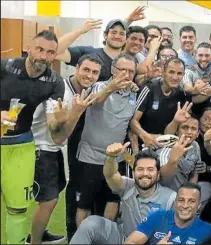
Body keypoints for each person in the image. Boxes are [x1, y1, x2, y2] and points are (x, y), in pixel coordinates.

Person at [29, 54, 102, 244]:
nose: (90, 75)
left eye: (95, 72)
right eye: (86, 70)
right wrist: (75, 114)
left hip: (53, 149)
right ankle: (35, 241)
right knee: (49, 200)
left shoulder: (86, 89)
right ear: (76, 68)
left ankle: (40, 232)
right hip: (41, 147)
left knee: (55, 191)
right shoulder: (59, 89)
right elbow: (57, 134)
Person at [0, 30, 65, 244]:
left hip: (21, 147)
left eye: (50, 52)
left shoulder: (55, 82)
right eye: (39, 49)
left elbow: (52, 123)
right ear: (29, 47)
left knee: (18, 208)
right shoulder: (5, 66)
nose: (43, 56)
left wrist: (63, 119)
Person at [75, 54, 139, 225]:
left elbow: (130, 124)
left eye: (131, 71)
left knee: (113, 200)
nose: (126, 74)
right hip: (91, 155)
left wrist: (135, 156)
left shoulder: (134, 93)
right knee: (85, 203)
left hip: (117, 157)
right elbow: (94, 102)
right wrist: (112, 87)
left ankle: (107, 237)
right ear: (112, 69)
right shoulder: (98, 87)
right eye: (122, 70)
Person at [70, 146, 176, 244]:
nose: (145, 173)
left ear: (158, 175)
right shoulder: (127, 186)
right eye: (140, 169)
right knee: (90, 223)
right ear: (133, 173)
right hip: (123, 237)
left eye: (150, 169)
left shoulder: (170, 198)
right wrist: (111, 157)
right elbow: (110, 174)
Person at [123, 182, 211, 244]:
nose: (185, 205)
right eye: (181, 200)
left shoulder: (207, 231)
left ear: (198, 205)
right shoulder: (158, 217)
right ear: (175, 202)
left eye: (191, 201)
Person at [130, 57, 189, 152]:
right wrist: (146, 136)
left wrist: (175, 121)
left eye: (179, 73)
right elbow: (133, 121)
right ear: (163, 72)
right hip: (139, 143)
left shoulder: (180, 94)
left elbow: (167, 132)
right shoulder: (149, 88)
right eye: (171, 72)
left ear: (183, 75)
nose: (175, 77)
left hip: (161, 146)